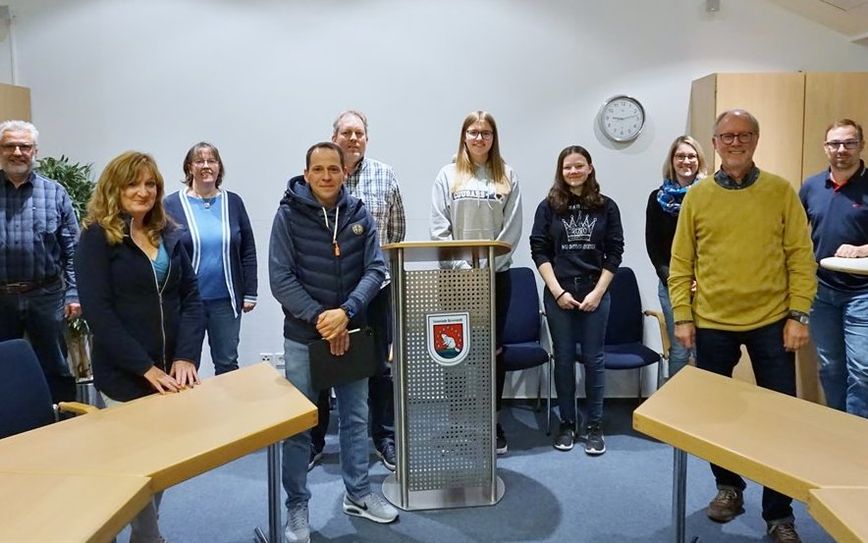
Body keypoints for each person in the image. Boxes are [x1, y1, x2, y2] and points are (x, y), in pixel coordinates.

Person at [669, 109, 816, 543]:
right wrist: (682, 315)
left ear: (756, 140)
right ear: (713, 143)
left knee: (779, 419)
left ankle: (779, 513)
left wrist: (798, 314)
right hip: (713, 322)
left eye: (744, 135)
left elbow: (799, 256)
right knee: (718, 416)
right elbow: (681, 263)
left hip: (772, 323)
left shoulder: (779, 191)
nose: (735, 142)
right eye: (726, 136)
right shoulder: (697, 197)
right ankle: (728, 488)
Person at [270, 142, 397, 543]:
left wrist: (346, 312)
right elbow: (281, 278)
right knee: (299, 427)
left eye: (333, 169)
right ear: (306, 174)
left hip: (352, 331)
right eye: (318, 169)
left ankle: (358, 494)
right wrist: (322, 318)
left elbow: (376, 268)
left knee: (356, 419)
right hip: (304, 337)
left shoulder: (359, 214)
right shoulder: (287, 216)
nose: (326, 176)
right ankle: (296, 508)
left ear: (345, 172)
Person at [75, 150, 205, 543]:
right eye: (134, 183)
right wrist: (145, 368)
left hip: (170, 374)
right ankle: (149, 538)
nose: (143, 191)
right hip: (125, 376)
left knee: (158, 464)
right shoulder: (96, 238)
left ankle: (137, 536)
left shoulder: (168, 233)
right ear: (115, 187)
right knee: (134, 469)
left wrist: (185, 356)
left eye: (151, 184)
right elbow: (99, 314)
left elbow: (191, 297)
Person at [308, 111, 405, 472]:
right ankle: (315, 442)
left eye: (359, 133)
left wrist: (372, 273)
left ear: (367, 139)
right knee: (320, 367)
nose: (352, 138)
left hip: (375, 290)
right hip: (325, 290)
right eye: (346, 132)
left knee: (379, 365)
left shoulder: (385, 174)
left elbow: (396, 232)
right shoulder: (321, 176)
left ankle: (384, 438)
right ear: (333, 136)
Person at [430, 110, 522, 455]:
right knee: (455, 353)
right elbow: (439, 228)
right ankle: (456, 423)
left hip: (496, 278)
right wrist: (462, 268)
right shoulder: (448, 174)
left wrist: (485, 268)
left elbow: (511, 230)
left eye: (486, 132)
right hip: (454, 280)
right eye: (473, 132)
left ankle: (491, 422)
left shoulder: (506, 175)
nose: (480, 138)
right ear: (464, 136)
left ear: (493, 137)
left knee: (491, 352)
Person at [530, 145, 623, 454]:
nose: (573, 171)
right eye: (567, 167)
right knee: (565, 358)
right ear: (561, 171)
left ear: (590, 168)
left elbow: (615, 252)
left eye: (579, 166)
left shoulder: (607, 207)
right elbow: (539, 251)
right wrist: (558, 292)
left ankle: (594, 425)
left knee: (595, 360)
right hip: (560, 292)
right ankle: (567, 423)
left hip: (596, 291)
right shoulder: (548, 207)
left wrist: (598, 292)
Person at [0, 120, 79, 403]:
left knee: (55, 367)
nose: (17, 152)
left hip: (46, 296)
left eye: (25, 146)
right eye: (10, 146)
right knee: (3, 369)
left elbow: (73, 249)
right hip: (1, 298)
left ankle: (65, 425)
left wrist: (73, 293)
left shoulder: (54, 192)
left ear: (35, 151)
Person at [164, 142, 257, 375]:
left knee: (227, 363)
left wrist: (250, 292)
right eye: (199, 161)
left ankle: (227, 412)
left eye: (211, 161)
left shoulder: (233, 202)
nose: (206, 166)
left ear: (219, 167)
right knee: (184, 364)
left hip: (225, 301)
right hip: (187, 303)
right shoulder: (171, 204)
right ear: (189, 167)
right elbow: (163, 251)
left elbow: (248, 250)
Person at [800, 118, 868, 418]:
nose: (842, 149)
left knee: (862, 369)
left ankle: (857, 435)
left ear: (861, 146)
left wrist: (863, 249)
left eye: (849, 143)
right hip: (822, 292)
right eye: (835, 143)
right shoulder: (812, 186)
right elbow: (791, 232)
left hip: (862, 294)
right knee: (830, 366)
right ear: (825, 147)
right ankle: (838, 426)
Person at [645, 136, 707, 378]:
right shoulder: (657, 198)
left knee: (707, 351)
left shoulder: (710, 195)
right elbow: (654, 246)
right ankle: (674, 412)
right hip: (672, 285)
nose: (686, 161)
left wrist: (700, 278)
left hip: (707, 287)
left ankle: (707, 408)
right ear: (672, 160)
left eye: (691, 156)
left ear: (699, 160)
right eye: (680, 156)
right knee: (681, 350)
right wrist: (676, 279)